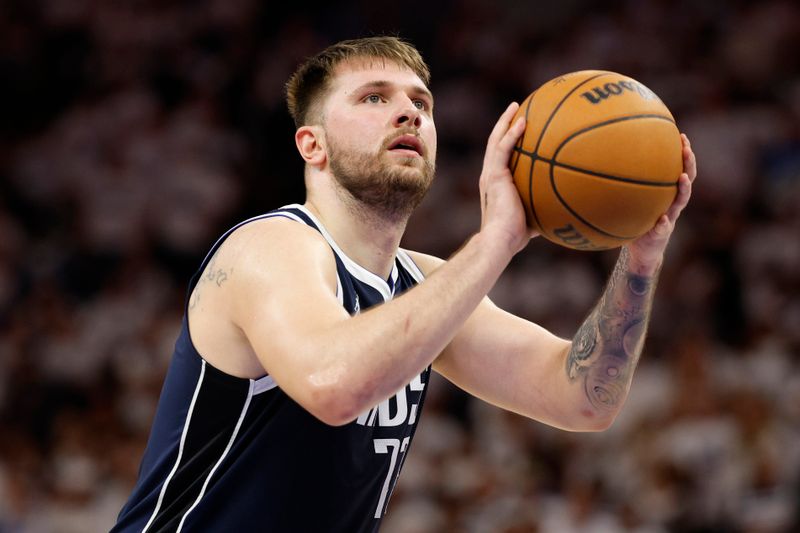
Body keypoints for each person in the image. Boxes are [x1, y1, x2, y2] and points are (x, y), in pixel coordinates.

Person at [112, 36, 697, 532]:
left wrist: (640, 259)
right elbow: (334, 386)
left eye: (422, 102)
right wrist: (498, 238)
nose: (409, 113)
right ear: (311, 144)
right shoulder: (268, 247)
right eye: (374, 98)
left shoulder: (424, 283)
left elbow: (584, 399)